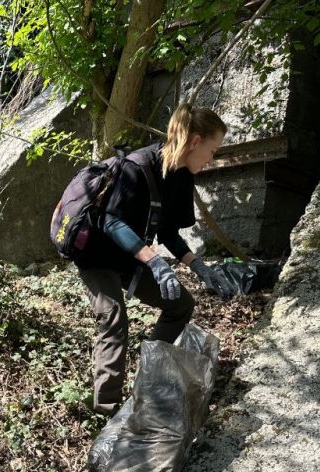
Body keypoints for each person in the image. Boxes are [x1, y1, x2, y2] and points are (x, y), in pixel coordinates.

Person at [75, 103, 238, 417]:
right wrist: (154, 261)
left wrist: (197, 265)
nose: (211, 158)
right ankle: (106, 412)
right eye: (212, 149)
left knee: (180, 305)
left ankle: (145, 382)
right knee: (114, 320)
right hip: (96, 252)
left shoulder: (181, 176)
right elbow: (110, 222)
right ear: (195, 142)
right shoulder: (136, 167)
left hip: (130, 255)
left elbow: (168, 233)